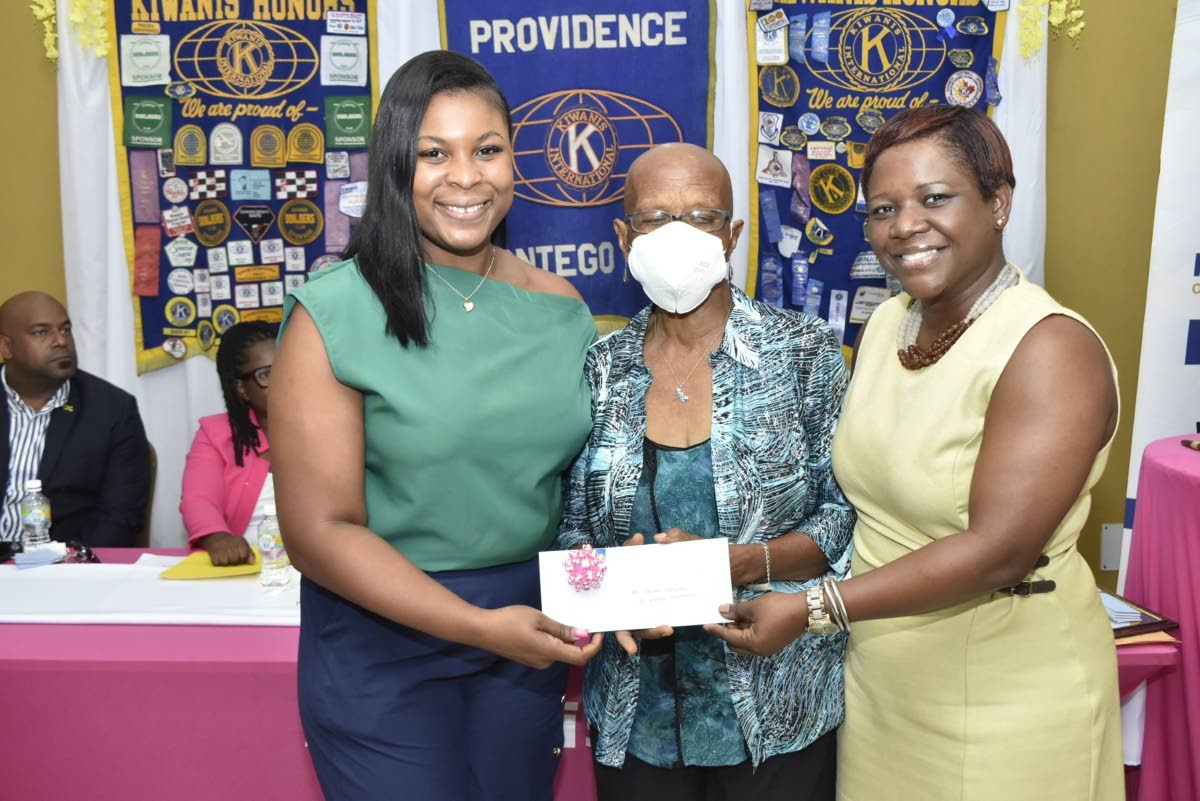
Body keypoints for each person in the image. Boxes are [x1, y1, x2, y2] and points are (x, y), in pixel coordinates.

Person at [708, 106, 1123, 801]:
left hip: (1008, 696)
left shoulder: (1050, 347)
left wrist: (814, 606)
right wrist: (738, 559)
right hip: (883, 691)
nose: (904, 226)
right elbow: (863, 501)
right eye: (883, 208)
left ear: (998, 201)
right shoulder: (889, 324)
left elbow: (999, 550)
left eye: (935, 199)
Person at [267, 51, 603, 801]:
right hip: (382, 638)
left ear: (514, 159)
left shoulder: (560, 308)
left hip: (526, 637)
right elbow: (319, 531)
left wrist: (637, 563)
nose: (465, 176)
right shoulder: (336, 311)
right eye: (433, 153)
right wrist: (479, 625)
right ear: (395, 165)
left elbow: (581, 487)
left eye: (487, 149)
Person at [557, 143, 854, 801]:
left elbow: (844, 517)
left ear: (732, 234)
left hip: (781, 708)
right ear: (623, 237)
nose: (677, 237)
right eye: (656, 218)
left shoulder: (803, 354)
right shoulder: (599, 369)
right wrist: (608, 587)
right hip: (636, 720)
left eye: (700, 216)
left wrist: (740, 563)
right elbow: (570, 531)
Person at [0, 291, 149, 548]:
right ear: (6, 347)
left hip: (66, 567)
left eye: (66, 330)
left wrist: (72, 565)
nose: (61, 341)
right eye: (41, 332)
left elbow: (120, 515)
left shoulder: (113, 409)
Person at [180, 321, 276, 566]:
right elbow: (199, 501)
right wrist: (217, 537)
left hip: (318, 568)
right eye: (266, 374)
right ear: (241, 388)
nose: (283, 381)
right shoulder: (216, 434)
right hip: (248, 566)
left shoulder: (324, 426)